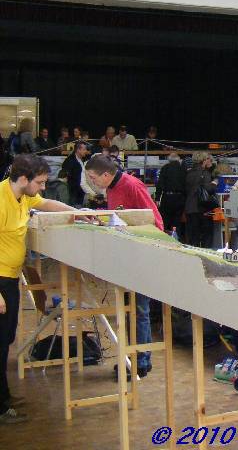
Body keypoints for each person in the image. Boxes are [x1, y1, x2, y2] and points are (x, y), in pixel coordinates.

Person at [1, 154, 76, 424]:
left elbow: (46, 204)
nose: (43, 187)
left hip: (10, 278)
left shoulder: (24, 196)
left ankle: (3, 396)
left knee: (5, 339)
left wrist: (76, 212)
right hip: (0, 281)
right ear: (24, 179)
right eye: (41, 182)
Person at [85, 155, 163, 378]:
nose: (91, 182)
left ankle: (141, 361)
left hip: (142, 254)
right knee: (130, 310)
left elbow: (155, 221)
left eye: (93, 178)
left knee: (139, 310)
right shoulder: (111, 188)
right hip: (126, 255)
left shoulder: (132, 185)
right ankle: (133, 357)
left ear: (106, 174)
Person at [185, 151, 217, 248]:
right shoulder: (205, 173)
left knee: (193, 237)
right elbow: (208, 189)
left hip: (190, 207)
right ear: (203, 160)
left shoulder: (188, 172)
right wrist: (214, 183)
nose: (209, 160)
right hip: (203, 208)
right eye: (207, 158)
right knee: (206, 236)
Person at [155, 152, 186, 238]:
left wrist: (157, 198)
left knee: (166, 219)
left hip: (167, 197)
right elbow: (186, 184)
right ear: (178, 160)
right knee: (177, 220)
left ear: (169, 160)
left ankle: (165, 237)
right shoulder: (183, 169)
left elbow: (160, 184)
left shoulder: (165, 168)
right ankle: (176, 237)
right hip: (180, 197)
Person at [61, 140, 93, 207]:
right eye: (84, 149)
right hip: (73, 192)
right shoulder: (70, 161)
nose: (86, 151)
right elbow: (64, 176)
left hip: (81, 191)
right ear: (78, 150)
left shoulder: (83, 158)